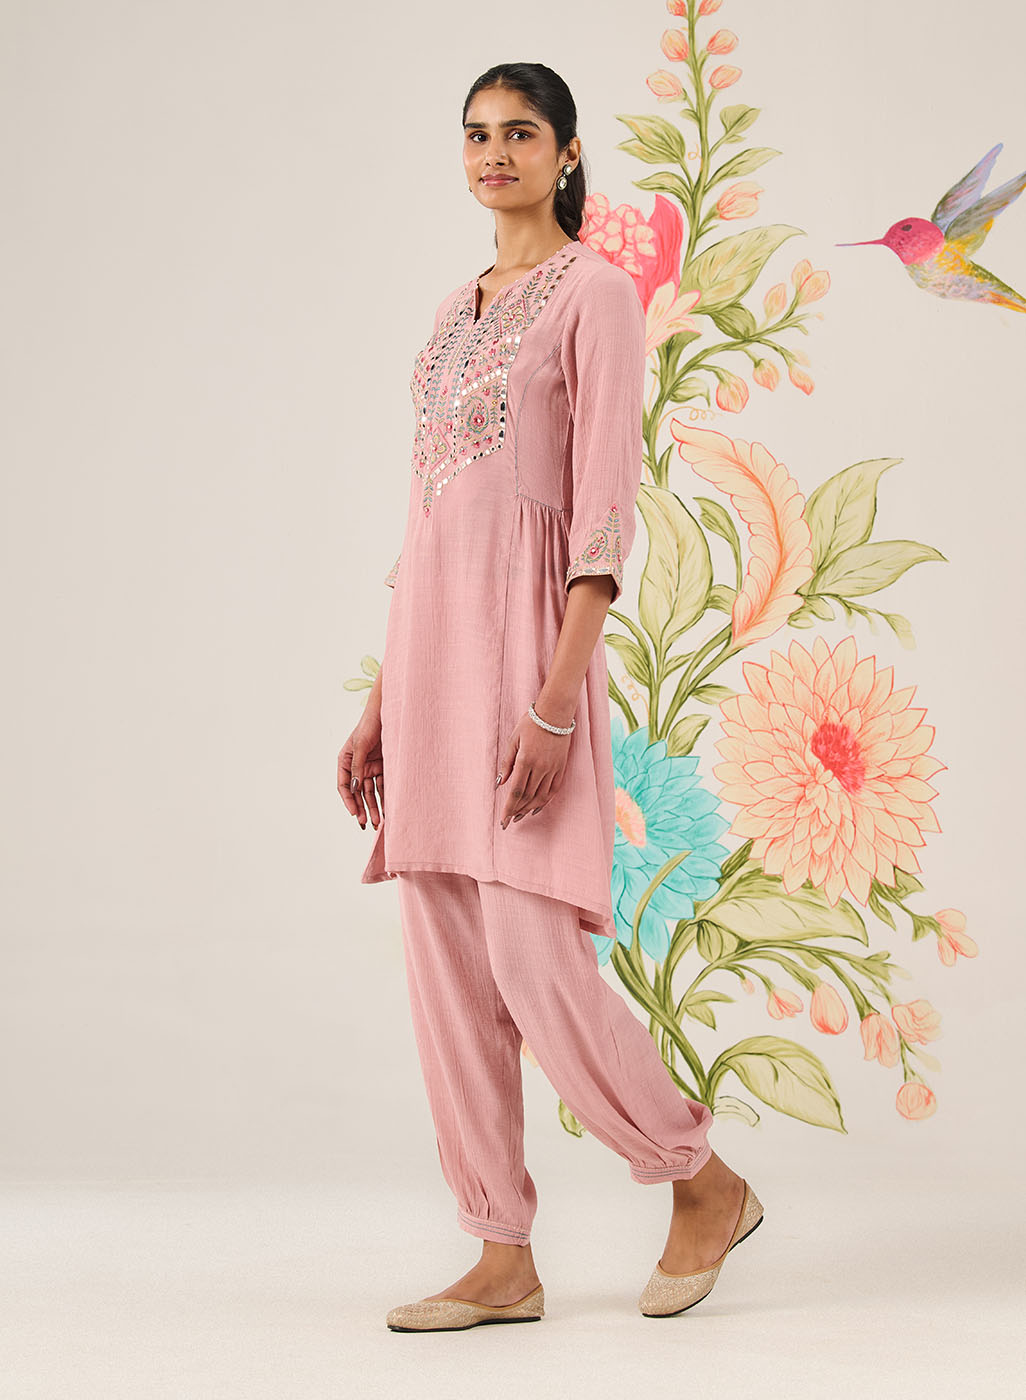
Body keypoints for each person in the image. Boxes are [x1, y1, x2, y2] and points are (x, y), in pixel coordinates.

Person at [337, 62, 763, 1331]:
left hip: (530, 662)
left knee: (534, 959)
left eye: (521, 133)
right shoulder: (451, 311)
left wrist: (558, 702)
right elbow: (426, 519)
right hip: (428, 660)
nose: (495, 153)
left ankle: (700, 1175)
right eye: (477, 134)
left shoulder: (596, 296)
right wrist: (379, 698)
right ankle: (499, 1250)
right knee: (449, 973)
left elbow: (600, 518)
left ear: (567, 154)